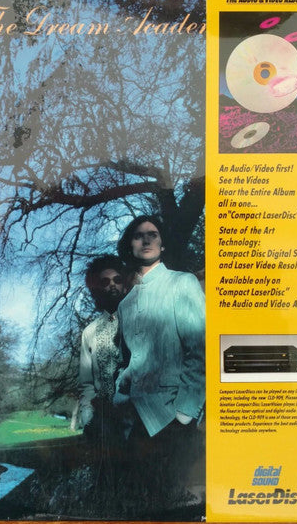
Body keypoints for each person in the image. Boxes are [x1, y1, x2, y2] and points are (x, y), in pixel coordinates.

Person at [114, 215, 205, 518]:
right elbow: (131, 360)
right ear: (130, 245)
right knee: (140, 508)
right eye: (138, 235)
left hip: (173, 419)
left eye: (153, 234)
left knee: (178, 511)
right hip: (137, 419)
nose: (146, 239)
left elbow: (200, 351)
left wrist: (185, 412)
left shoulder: (182, 283)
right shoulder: (125, 304)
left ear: (163, 244)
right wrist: (120, 391)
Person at [78, 255, 127, 439]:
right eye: (105, 282)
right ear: (98, 289)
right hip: (104, 422)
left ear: (125, 284)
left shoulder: (140, 321)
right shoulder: (89, 332)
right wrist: (88, 419)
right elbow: (86, 384)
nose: (112, 285)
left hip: (138, 417)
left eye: (117, 279)